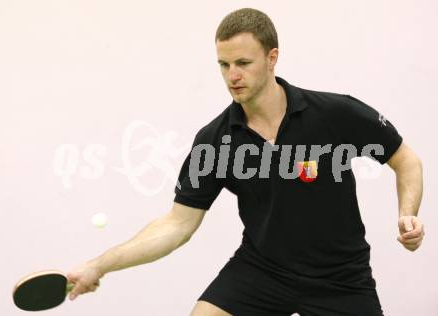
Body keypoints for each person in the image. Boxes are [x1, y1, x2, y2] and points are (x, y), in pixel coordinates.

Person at [66, 8, 425, 316]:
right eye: (223, 65)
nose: (232, 75)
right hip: (263, 270)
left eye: (242, 63)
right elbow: (177, 225)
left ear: (272, 58)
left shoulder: (334, 114)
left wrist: (408, 213)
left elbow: (405, 159)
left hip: (340, 278)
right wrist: (99, 265)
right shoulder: (216, 141)